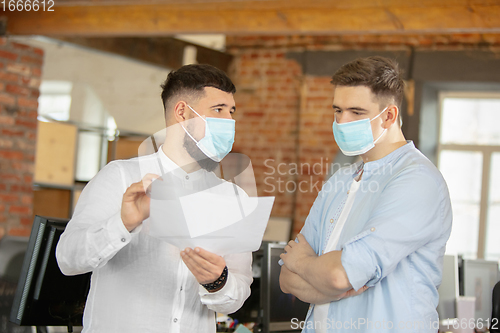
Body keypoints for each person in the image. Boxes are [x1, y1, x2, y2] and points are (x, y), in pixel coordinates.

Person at [56, 64, 253, 333]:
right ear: (182, 112)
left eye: (231, 112)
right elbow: (67, 259)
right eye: (218, 110)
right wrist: (122, 224)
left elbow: (238, 296)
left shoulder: (232, 198)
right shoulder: (120, 178)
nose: (229, 122)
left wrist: (218, 281)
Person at [279, 56, 452, 332]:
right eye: (337, 110)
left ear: (389, 115)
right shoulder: (341, 179)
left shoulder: (417, 180)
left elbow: (339, 274)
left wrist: (302, 261)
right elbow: (287, 279)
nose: (342, 121)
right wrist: (322, 274)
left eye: (356, 112)